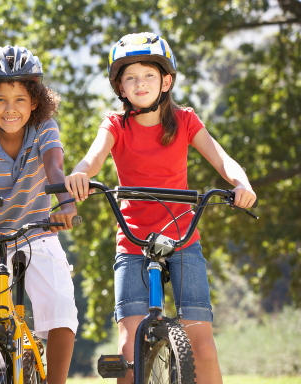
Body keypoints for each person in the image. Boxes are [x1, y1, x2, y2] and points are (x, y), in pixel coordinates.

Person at [63, 32, 257, 384]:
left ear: (166, 81)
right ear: (120, 87)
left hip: (183, 239)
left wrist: (241, 184)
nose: (140, 83)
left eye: (149, 75)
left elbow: (223, 159)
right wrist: (79, 174)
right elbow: (91, 160)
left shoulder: (184, 121)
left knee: (203, 349)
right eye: (131, 77)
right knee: (129, 350)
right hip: (133, 241)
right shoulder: (115, 125)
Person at [0, 45, 79, 384]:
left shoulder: (45, 128)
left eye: (20, 99)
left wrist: (66, 205)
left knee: (60, 308)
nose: (10, 109)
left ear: (35, 101)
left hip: (37, 231)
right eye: (0, 100)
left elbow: (54, 167)